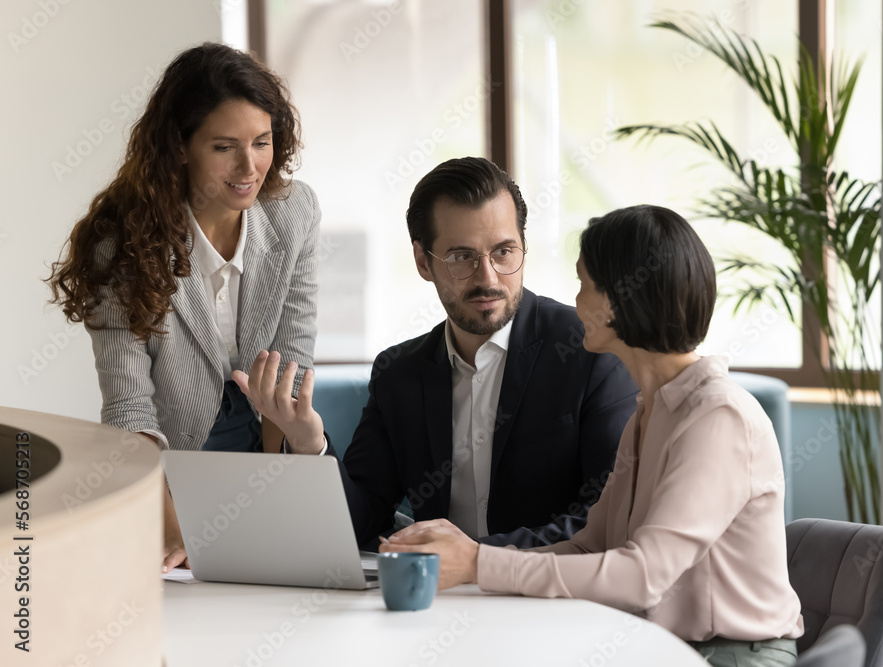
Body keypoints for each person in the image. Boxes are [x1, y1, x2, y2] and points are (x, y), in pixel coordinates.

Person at [379, 205, 804, 667]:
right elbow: (590, 543)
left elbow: (643, 576)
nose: (576, 301)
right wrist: (470, 557)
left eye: (585, 285)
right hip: (661, 644)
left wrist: (480, 564)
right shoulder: (651, 411)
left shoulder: (717, 417)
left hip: (729, 655)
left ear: (623, 300)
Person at [46, 43, 322, 572]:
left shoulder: (294, 214)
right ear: (179, 146)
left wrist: (274, 503)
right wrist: (177, 528)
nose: (250, 166)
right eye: (224, 147)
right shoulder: (123, 242)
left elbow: (290, 377)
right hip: (166, 469)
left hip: (271, 446)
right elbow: (130, 410)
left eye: (262, 142)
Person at [336, 157, 637, 549]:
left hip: (556, 598)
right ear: (423, 261)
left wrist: (480, 560)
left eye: (503, 252)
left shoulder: (592, 349)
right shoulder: (398, 373)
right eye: (462, 257)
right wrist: (312, 446)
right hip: (437, 602)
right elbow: (363, 522)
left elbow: (606, 518)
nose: (488, 278)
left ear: (524, 245)